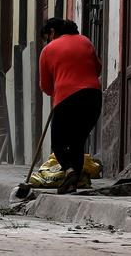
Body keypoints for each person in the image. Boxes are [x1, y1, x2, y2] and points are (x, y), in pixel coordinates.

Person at [39, 17, 103, 194]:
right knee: (77, 142)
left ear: (52, 32)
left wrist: (59, 82)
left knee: (58, 142)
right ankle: (72, 184)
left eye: (47, 37)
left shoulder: (48, 50)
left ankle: (70, 171)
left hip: (67, 99)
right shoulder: (85, 41)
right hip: (93, 97)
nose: (47, 41)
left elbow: (46, 87)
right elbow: (97, 69)